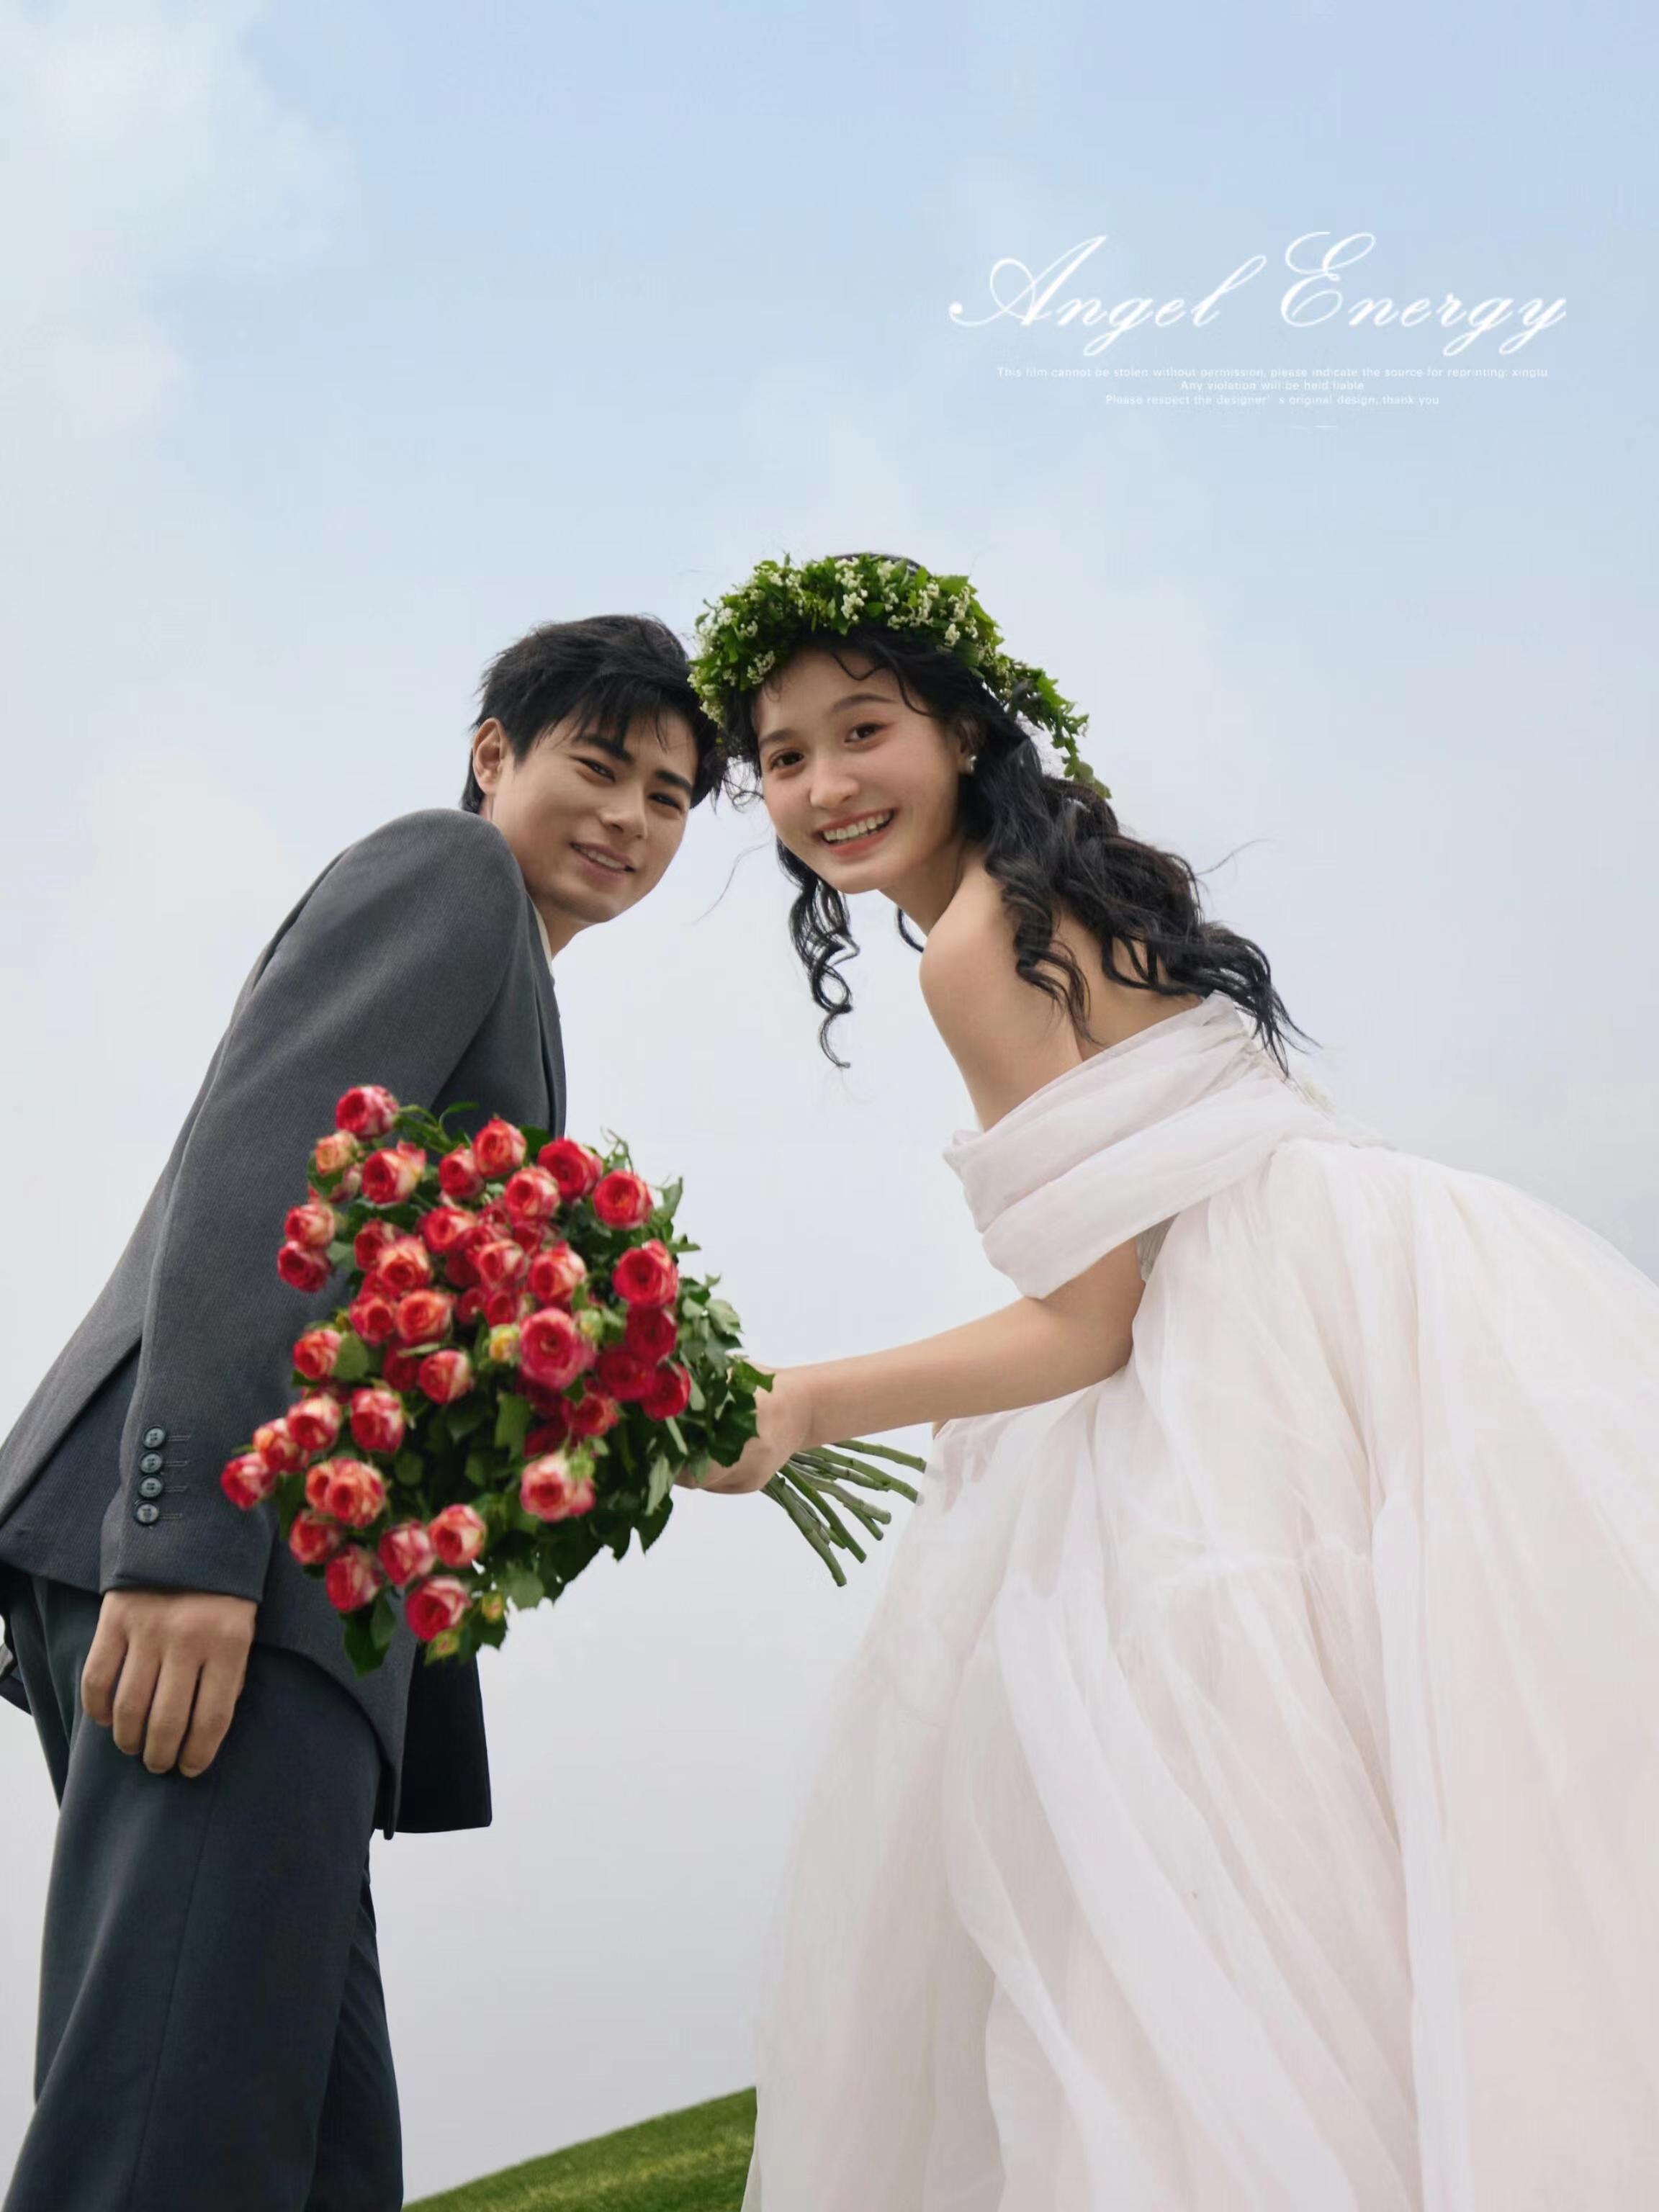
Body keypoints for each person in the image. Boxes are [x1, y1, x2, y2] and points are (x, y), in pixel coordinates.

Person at [685, 552, 1659, 2211]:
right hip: (1373, 1275)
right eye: (785, 757)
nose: (827, 784)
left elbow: (1092, 1324)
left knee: (1214, 1868)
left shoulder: (973, 950)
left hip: (1248, 1353)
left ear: (965, 730)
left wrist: (802, 1405)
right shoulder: (1065, 885)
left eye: (864, 730)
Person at [0, 612, 723, 2212]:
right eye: (601, 767)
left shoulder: (514, 967)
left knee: (315, 2158)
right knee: (167, 2145)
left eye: (671, 798)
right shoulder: (448, 872)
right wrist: (186, 1541)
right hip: (226, 1563)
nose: (631, 818)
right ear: (493, 757)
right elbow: (266, 1164)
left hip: (295, 1595)